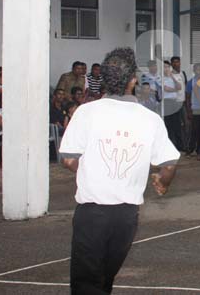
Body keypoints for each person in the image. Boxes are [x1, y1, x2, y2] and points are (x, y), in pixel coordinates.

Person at [59, 47, 179, 294]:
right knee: (105, 278)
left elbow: (69, 159)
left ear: (102, 78)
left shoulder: (86, 112)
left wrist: (93, 171)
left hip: (91, 212)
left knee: (86, 281)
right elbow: (168, 164)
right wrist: (162, 181)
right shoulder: (150, 118)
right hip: (126, 216)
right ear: (133, 80)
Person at [160, 61, 184, 151]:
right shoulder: (161, 78)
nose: (166, 69)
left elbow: (179, 87)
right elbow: (166, 89)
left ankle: (180, 146)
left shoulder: (173, 77)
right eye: (164, 67)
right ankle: (169, 146)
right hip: (166, 103)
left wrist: (172, 77)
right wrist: (175, 90)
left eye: (167, 67)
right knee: (168, 125)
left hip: (174, 102)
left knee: (177, 125)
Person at [185, 63, 200, 157]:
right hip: (195, 109)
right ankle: (190, 149)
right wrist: (189, 111)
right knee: (194, 130)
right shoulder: (191, 82)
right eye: (197, 70)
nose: (199, 71)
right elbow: (188, 97)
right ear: (194, 71)